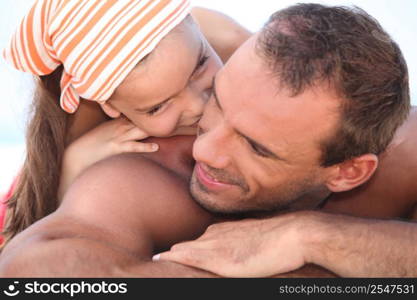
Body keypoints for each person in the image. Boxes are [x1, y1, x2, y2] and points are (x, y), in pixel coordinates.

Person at [0, 3, 415, 277]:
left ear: (350, 171)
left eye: (256, 146)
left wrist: (311, 237)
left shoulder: (405, 153)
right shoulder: (142, 170)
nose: (203, 149)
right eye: (219, 101)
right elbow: (31, 272)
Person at [0, 0, 252, 247]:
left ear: (194, 25)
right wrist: (71, 168)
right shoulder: (80, 121)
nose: (197, 105)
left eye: (199, 65)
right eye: (158, 107)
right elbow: (22, 246)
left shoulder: (234, 42)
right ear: (109, 107)